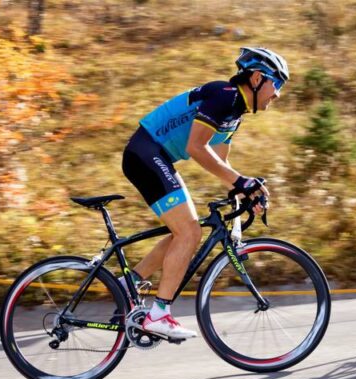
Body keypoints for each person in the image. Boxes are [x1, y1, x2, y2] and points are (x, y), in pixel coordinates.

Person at [120, 47, 288, 339]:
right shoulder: (225, 96)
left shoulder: (236, 112)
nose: (277, 94)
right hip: (146, 153)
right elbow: (196, 148)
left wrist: (244, 196)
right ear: (258, 78)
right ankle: (158, 315)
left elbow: (222, 165)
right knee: (189, 233)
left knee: (183, 233)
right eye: (278, 84)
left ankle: (127, 285)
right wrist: (242, 181)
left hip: (153, 156)